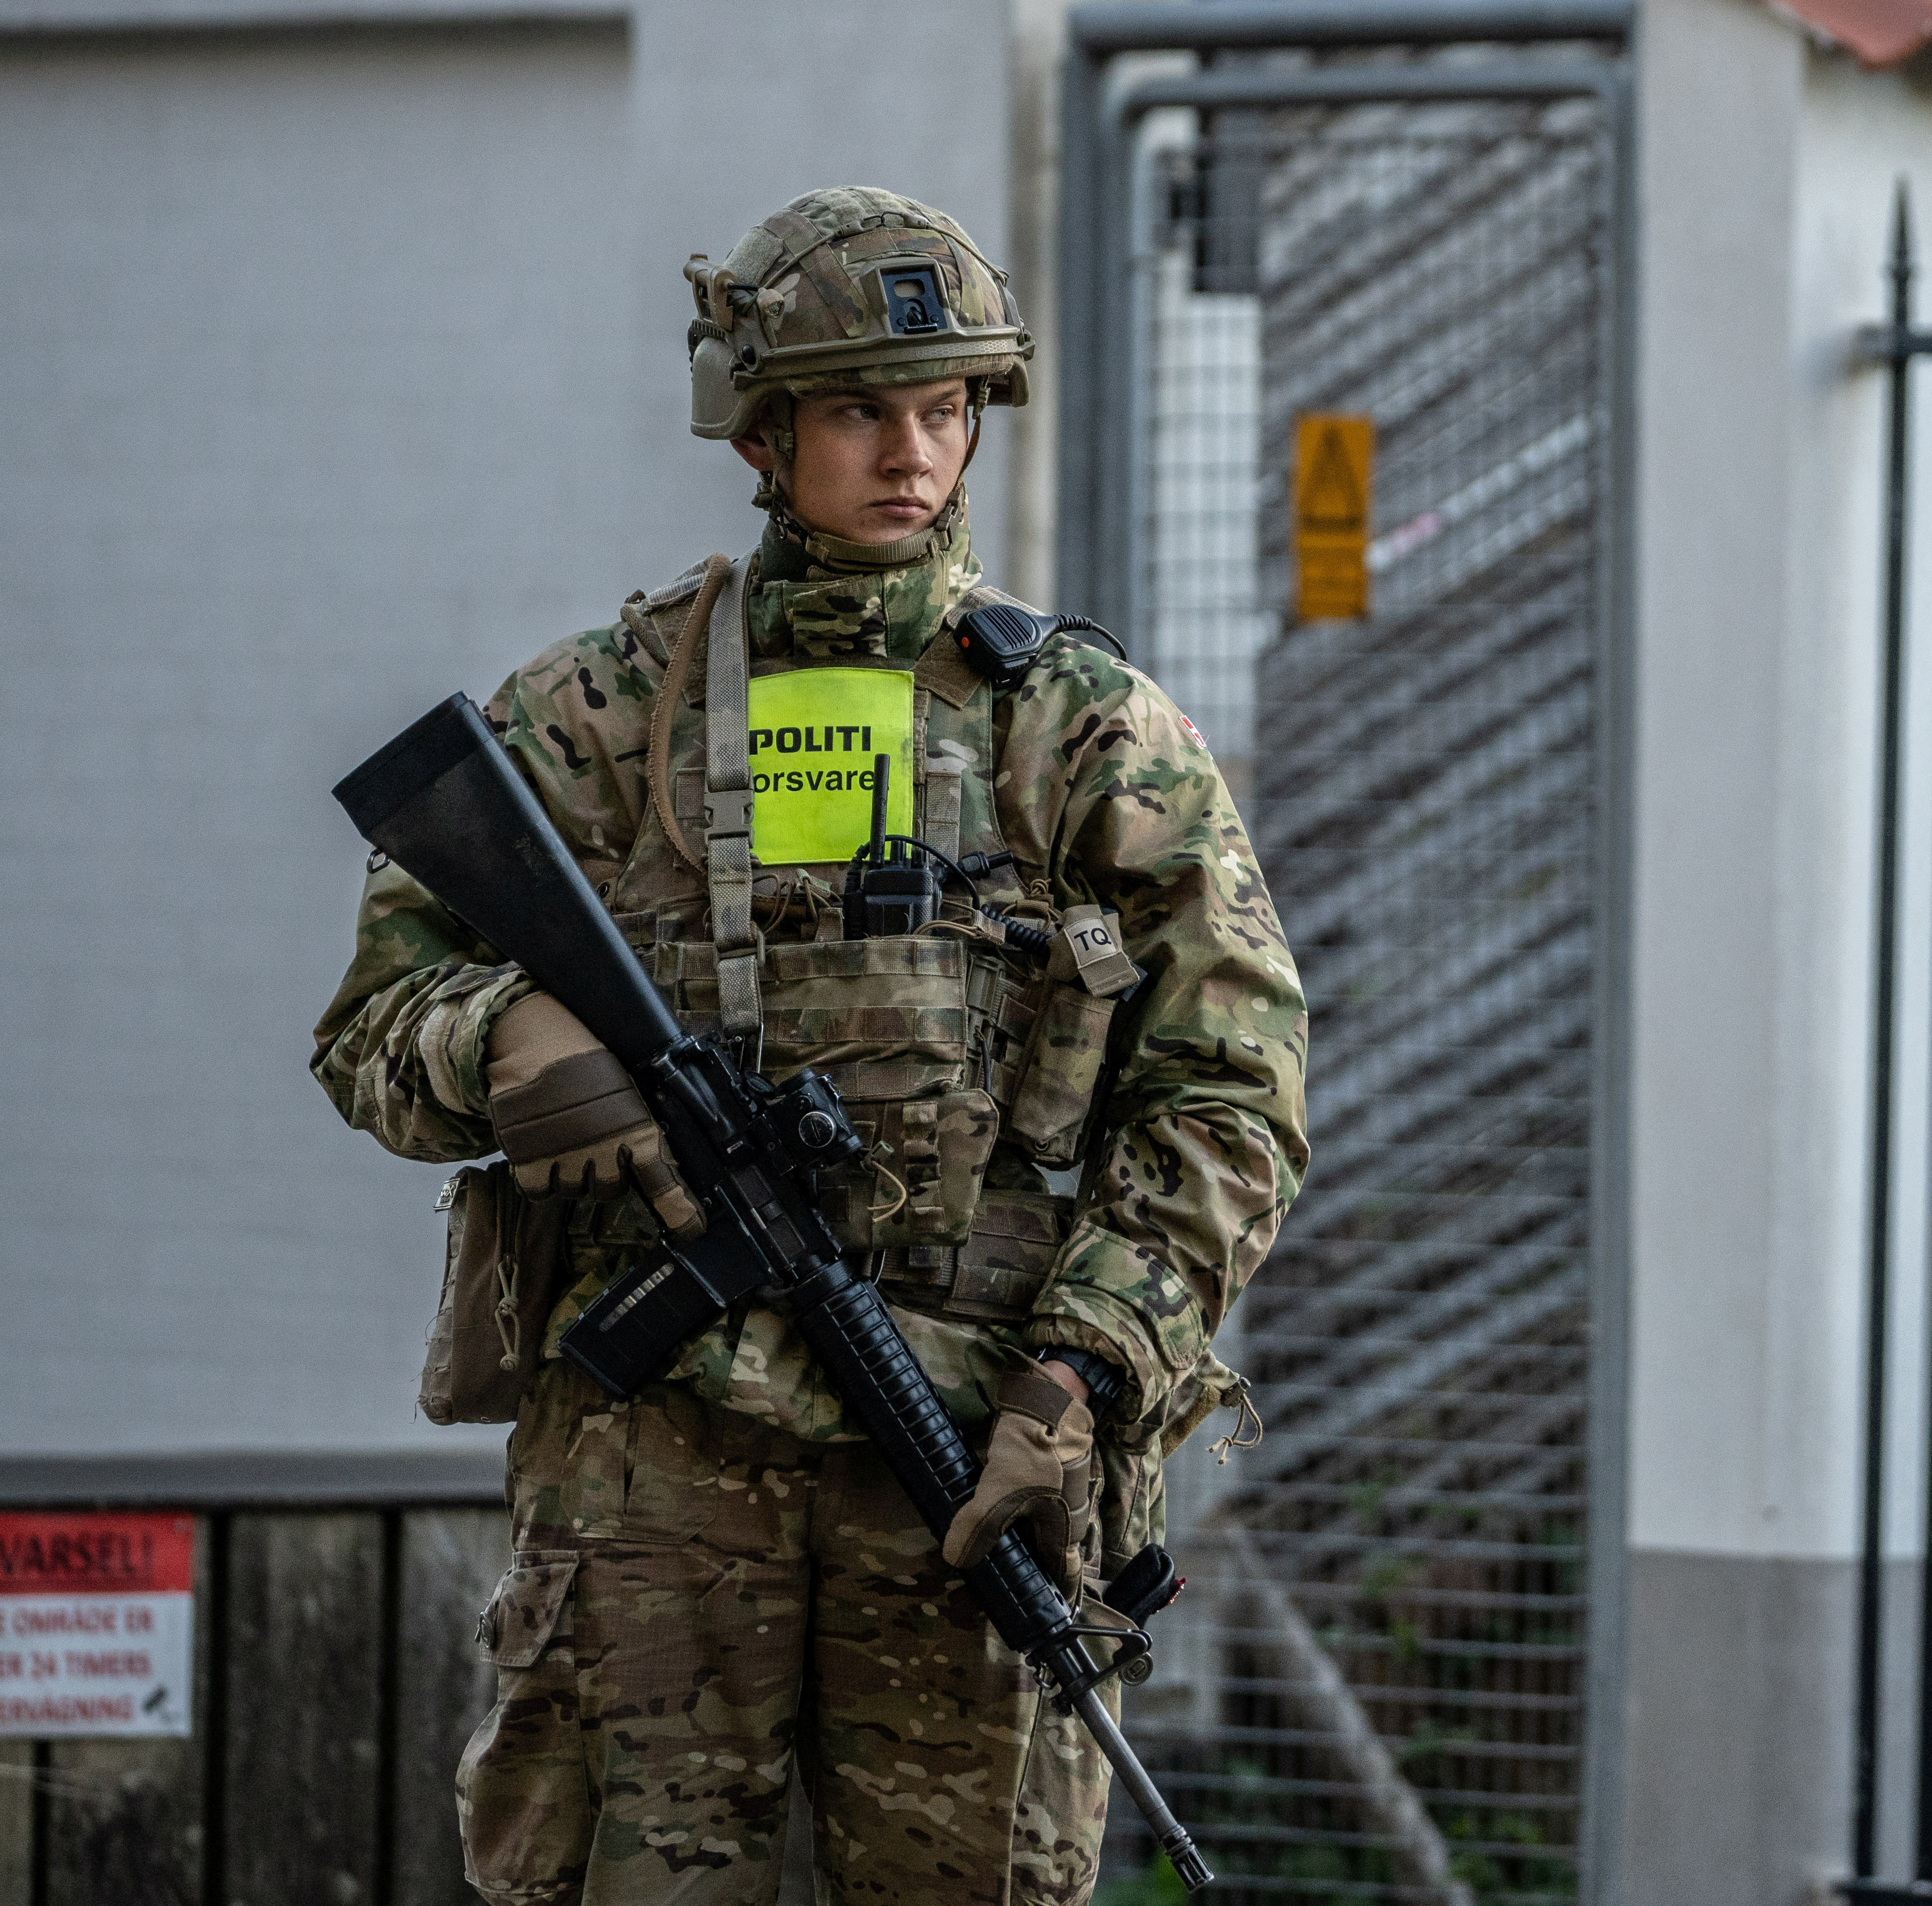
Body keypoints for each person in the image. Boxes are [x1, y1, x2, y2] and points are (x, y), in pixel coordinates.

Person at [313, 187, 1308, 1904]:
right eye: (861, 409)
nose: (912, 454)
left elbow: (1230, 1092)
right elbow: (372, 1030)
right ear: (763, 434)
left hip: (971, 1449)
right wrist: (505, 1040)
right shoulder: (608, 713)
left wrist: (1087, 1368)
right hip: (656, 1478)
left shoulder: (1081, 734)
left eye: (945, 410)